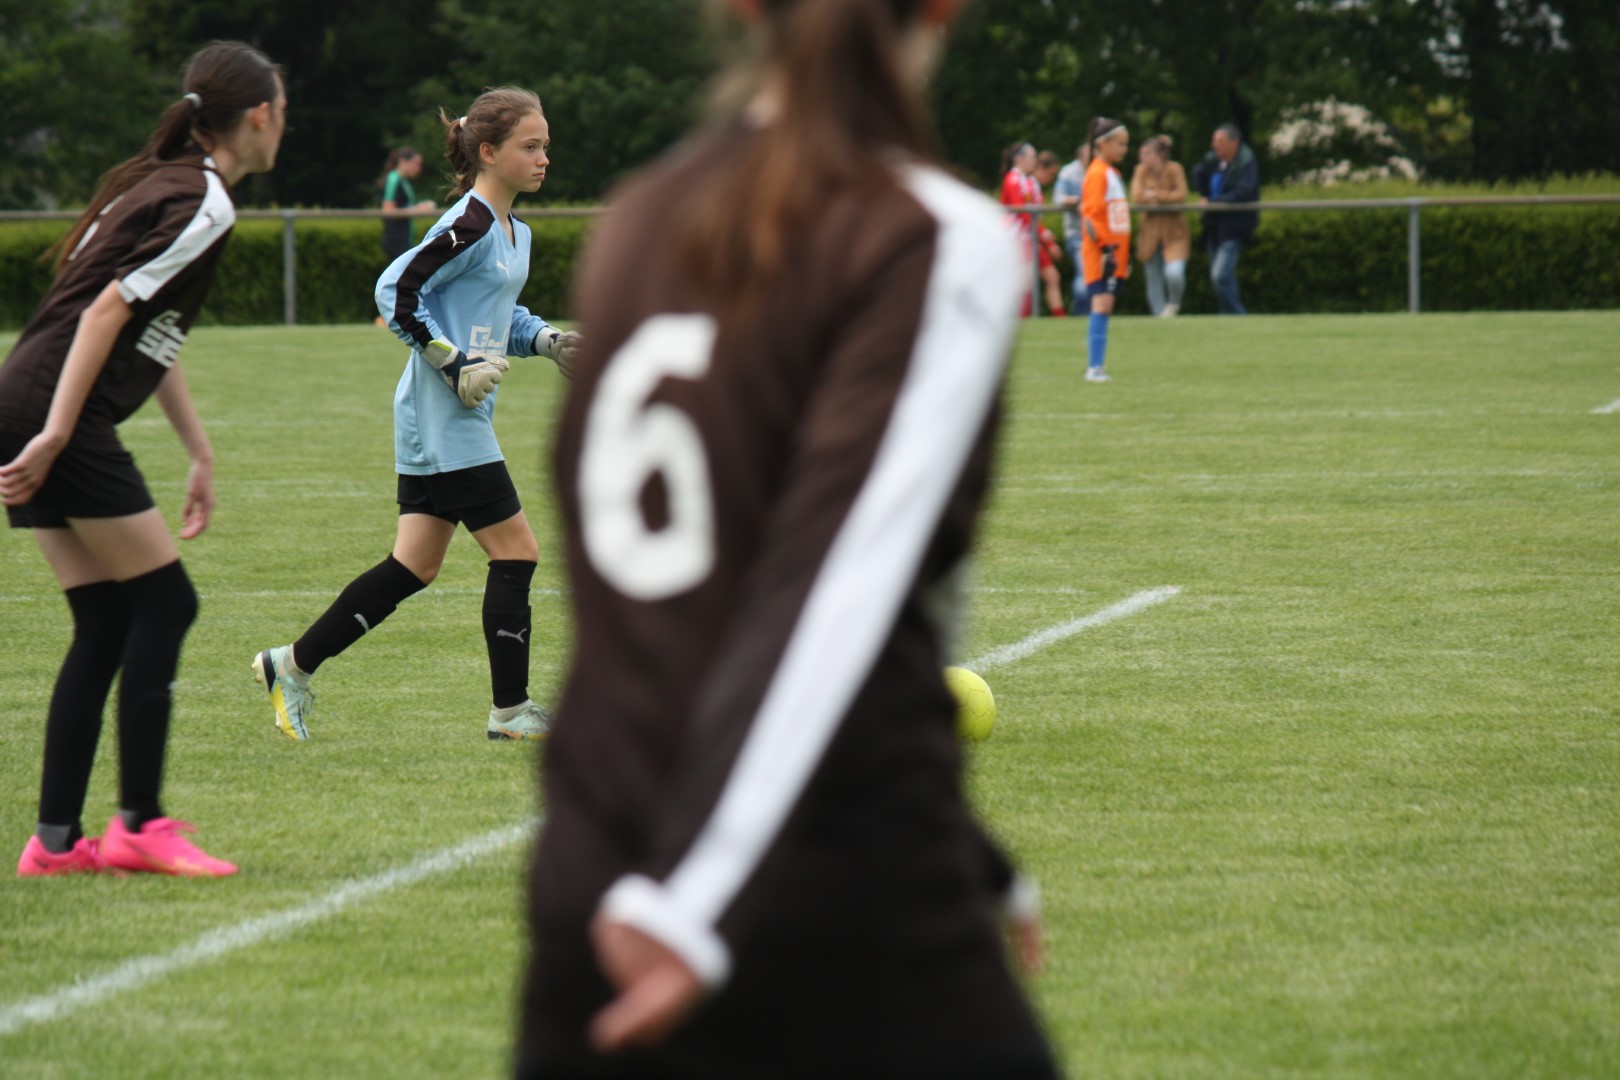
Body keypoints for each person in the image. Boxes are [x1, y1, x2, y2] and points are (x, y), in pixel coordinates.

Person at [518, 0, 1056, 1077]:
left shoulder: (639, 217)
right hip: (811, 899)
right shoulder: (931, 236)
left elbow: (679, 619)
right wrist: (696, 900)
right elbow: (832, 586)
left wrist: (976, 857)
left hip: (595, 888)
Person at [0, 42, 287, 878]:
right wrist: (59, 433)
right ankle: (140, 824)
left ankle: (54, 844)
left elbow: (148, 331)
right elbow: (101, 315)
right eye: (284, 112)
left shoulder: (161, 183)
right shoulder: (204, 199)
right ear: (260, 116)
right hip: (54, 410)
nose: (285, 126)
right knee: (166, 603)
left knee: (105, 618)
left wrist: (198, 448)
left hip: (22, 397)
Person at [251, 87, 580, 744]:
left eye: (545, 146)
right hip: (445, 417)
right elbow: (395, 290)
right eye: (530, 146)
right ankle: (510, 712)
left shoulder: (514, 232)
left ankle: (290, 664)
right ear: (489, 152)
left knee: (414, 565)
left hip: (441, 418)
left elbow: (496, 318)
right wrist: (452, 364)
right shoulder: (469, 223)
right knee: (517, 551)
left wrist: (548, 341)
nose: (544, 158)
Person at [1080, 116, 1131, 382]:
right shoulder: (1097, 173)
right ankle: (1094, 368)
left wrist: (1123, 254)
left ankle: (1097, 366)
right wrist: (1106, 248)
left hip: (1115, 253)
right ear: (1103, 144)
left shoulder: (1112, 173)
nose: (1124, 149)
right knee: (1101, 304)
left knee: (1106, 305)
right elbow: (1091, 216)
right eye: (1120, 144)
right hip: (1103, 254)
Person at [1191, 122, 1261, 315]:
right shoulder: (1214, 162)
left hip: (1234, 226)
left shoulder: (1246, 162)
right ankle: (1228, 316)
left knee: (1220, 274)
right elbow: (1197, 175)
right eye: (1214, 141)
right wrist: (1205, 196)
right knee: (1225, 276)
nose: (1215, 145)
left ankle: (1238, 314)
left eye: (1220, 141)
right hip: (1214, 226)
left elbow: (1244, 191)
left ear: (1234, 143)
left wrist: (1215, 202)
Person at [1129, 134, 1190, 317]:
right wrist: (1166, 195)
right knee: (1153, 278)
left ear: (1160, 155)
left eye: (1147, 154)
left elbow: (1181, 195)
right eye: (1141, 154)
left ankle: (1174, 304)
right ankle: (1159, 317)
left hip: (1174, 232)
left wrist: (1155, 194)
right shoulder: (1140, 171)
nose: (1143, 158)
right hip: (1150, 233)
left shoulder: (1175, 169)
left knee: (1174, 273)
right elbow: (1137, 196)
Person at [997, 139, 1042, 316]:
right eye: (1032, 156)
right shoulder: (1013, 179)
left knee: (1027, 284)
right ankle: (1016, 319)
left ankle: (1022, 320)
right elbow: (1021, 211)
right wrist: (1042, 233)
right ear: (1018, 159)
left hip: (1025, 238)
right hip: (1014, 239)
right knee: (1021, 285)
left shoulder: (1027, 180)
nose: (1035, 160)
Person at [379, 147, 437, 263]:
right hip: (396, 239)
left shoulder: (402, 180)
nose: (419, 169)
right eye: (416, 163)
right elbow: (388, 210)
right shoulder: (393, 178)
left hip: (403, 238)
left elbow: (403, 207)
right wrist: (418, 209)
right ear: (402, 161)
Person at [1053, 141, 1090, 310]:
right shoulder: (1068, 172)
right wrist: (1077, 201)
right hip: (1076, 233)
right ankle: (1080, 314)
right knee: (1084, 274)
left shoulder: (1099, 170)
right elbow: (1058, 198)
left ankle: (1093, 312)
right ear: (1081, 156)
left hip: (1097, 233)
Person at [1031, 150, 1068, 316]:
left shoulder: (1034, 187)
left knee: (1052, 277)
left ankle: (1059, 318)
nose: (1051, 179)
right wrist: (1047, 239)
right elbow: (1026, 218)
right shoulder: (1030, 185)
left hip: (1032, 239)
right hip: (1025, 240)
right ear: (1040, 167)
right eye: (1051, 174)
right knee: (1032, 282)